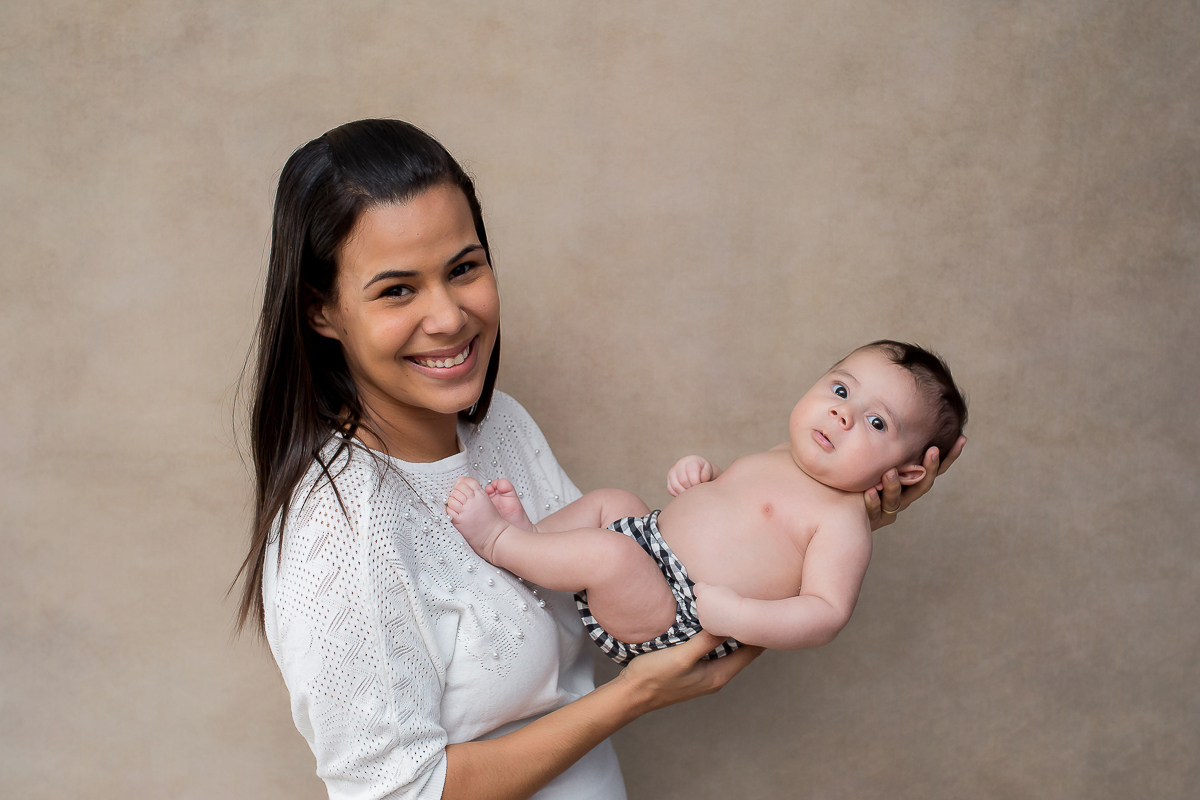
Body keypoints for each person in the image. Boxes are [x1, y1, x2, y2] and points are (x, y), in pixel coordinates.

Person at [233, 118, 965, 800]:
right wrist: (638, 693)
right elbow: (395, 792)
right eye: (397, 289)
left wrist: (839, 510)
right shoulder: (337, 530)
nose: (450, 317)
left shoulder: (498, 427)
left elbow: (628, 591)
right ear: (321, 310)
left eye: (464, 268)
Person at [447, 341, 966, 664]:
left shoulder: (842, 520)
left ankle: (500, 541)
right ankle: (538, 542)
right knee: (612, 502)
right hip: (651, 544)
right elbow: (741, 510)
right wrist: (706, 478)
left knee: (610, 555)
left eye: (877, 423)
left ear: (909, 471)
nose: (842, 415)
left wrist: (738, 615)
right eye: (839, 389)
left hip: (676, 612)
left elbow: (826, 613)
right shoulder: (785, 454)